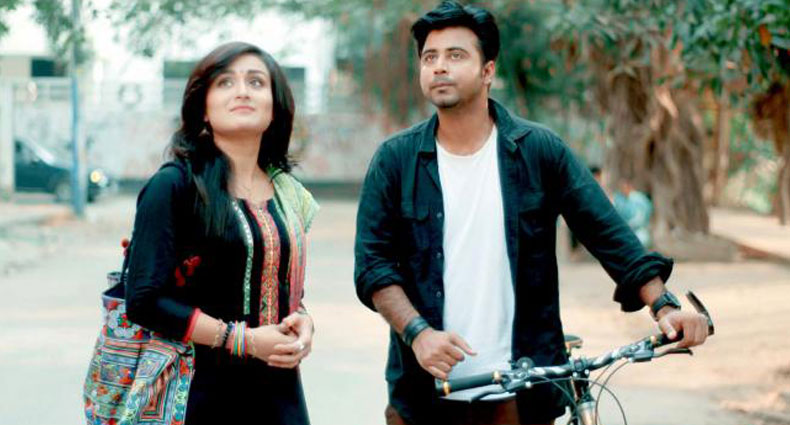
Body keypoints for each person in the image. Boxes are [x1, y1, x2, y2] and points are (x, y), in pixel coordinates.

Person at [352, 2, 709, 424]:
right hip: (424, 393)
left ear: (488, 71)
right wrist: (418, 334)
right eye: (430, 57)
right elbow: (373, 266)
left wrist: (665, 307)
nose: (439, 67)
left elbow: (608, 233)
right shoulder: (395, 161)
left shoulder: (539, 151)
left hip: (523, 389)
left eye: (455, 55)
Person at [125, 41, 319, 424]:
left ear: (275, 106)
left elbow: (280, 284)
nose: (242, 91)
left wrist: (303, 321)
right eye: (226, 82)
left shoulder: (288, 193)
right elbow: (144, 299)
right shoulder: (175, 186)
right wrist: (244, 341)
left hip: (280, 392)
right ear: (203, 107)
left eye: (256, 82)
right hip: (197, 392)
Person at [613, 178, 653, 247]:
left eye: (625, 187)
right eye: (621, 188)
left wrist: (629, 225)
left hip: (639, 231)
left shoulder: (639, 199)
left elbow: (641, 218)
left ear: (629, 187)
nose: (623, 190)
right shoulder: (619, 199)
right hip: (624, 231)